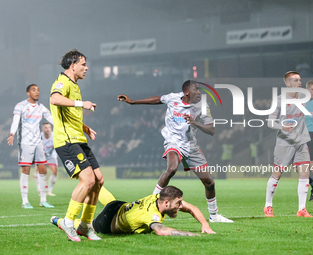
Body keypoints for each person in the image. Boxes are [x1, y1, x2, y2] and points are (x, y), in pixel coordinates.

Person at [118, 80, 233, 223]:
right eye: (196, 90)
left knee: (209, 182)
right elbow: (158, 100)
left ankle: (214, 216)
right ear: (187, 92)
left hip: (190, 145)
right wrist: (134, 102)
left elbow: (211, 130)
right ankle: (151, 202)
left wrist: (195, 122)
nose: (199, 92)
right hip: (173, 142)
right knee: (171, 168)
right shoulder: (173, 98)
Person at [50, 49, 104, 242]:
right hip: (66, 141)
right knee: (88, 180)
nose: (86, 68)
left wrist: (84, 127)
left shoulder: (74, 85)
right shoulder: (63, 82)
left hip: (78, 138)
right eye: (83, 64)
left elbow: (68, 114)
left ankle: (85, 225)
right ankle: (68, 221)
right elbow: (54, 99)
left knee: (98, 180)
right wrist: (82, 104)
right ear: (72, 66)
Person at [51, 185, 216, 236]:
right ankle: (57, 220)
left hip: (120, 206)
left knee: (111, 200)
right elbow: (161, 230)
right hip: (109, 221)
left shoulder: (161, 197)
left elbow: (191, 207)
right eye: (178, 203)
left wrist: (205, 225)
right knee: (84, 227)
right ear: (166, 203)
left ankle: (95, 185)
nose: (181, 207)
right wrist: (193, 234)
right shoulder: (150, 215)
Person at [264, 71, 313, 217]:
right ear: (288, 84)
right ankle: (268, 206)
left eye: (300, 80)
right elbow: (270, 121)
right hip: (284, 142)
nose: (300, 83)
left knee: (305, 172)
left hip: (302, 141)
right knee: (277, 173)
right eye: (296, 80)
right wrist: (282, 127)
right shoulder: (279, 100)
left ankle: (302, 209)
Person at [7, 84, 54, 209]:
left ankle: (43, 199)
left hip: (38, 142)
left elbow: (51, 118)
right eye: (34, 90)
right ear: (28, 93)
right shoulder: (20, 106)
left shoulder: (41, 107)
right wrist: (12, 133)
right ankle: (25, 201)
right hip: (25, 142)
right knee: (26, 170)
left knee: (43, 169)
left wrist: (61, 127)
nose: (37, 92)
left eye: (38, 90)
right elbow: (16, 121)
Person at [35, 122, 59, 196]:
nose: (47, 129)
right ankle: (39, 188)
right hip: (42, 155)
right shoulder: (39, 136)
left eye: (49, 127)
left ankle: (49, 191)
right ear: (42, 129)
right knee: (39, 171)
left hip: (52, 156)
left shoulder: (55, 135)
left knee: (54, 171)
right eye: (45, 128)